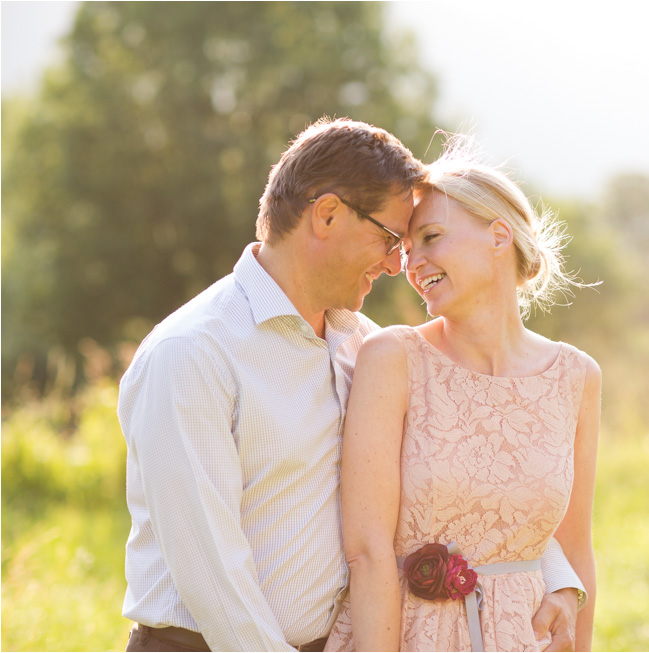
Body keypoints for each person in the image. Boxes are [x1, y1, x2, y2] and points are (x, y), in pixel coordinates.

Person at [117, 118, 585, 652]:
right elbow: (209, 569)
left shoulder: (362, 344)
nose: (395, 265)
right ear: (328, 214)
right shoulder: (195, 353)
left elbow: (449, 487)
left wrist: (555, 573)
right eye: (390, 238)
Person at [325, 138, 600, 652]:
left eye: (430, 238)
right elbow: (367, 550)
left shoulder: (576, 376)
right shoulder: (393, 359)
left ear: (499, 236)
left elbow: (575, 548)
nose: (413, 264)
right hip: (407, 636)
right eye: (407, 251)